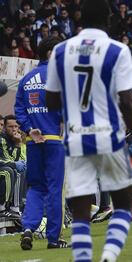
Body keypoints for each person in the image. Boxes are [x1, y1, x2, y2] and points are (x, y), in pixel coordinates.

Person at [45, 0, 132, 261]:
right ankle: (108, 257)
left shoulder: (59, 51)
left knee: (81, 214)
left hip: (75, 139)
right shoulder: (117, 50)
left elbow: (52, 103)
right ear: (109, 20)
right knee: (123, 205)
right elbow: (126, 103)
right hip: (109, 137)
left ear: (80, 19)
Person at [14, 36, 69, 250]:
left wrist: (29, 129)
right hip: (55, 141)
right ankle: (54, 239)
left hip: (33, 141)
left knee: (35, 187)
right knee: (55, 189)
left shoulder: (26, 79)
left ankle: (28, 228)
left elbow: (19, 110)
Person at [0, 115, 26, 219]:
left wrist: (18, 144)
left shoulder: (9, 139)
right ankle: (2, 209)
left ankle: (15, 208)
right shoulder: (2, 139)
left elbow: (11, 159)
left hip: (4, 166)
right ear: (5, 128)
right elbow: (10, 161)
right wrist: (15, 164)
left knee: (20, 171)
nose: (14, 129)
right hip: (3, 168)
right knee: (8, 172)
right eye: (11, 126)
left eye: (16, 126)